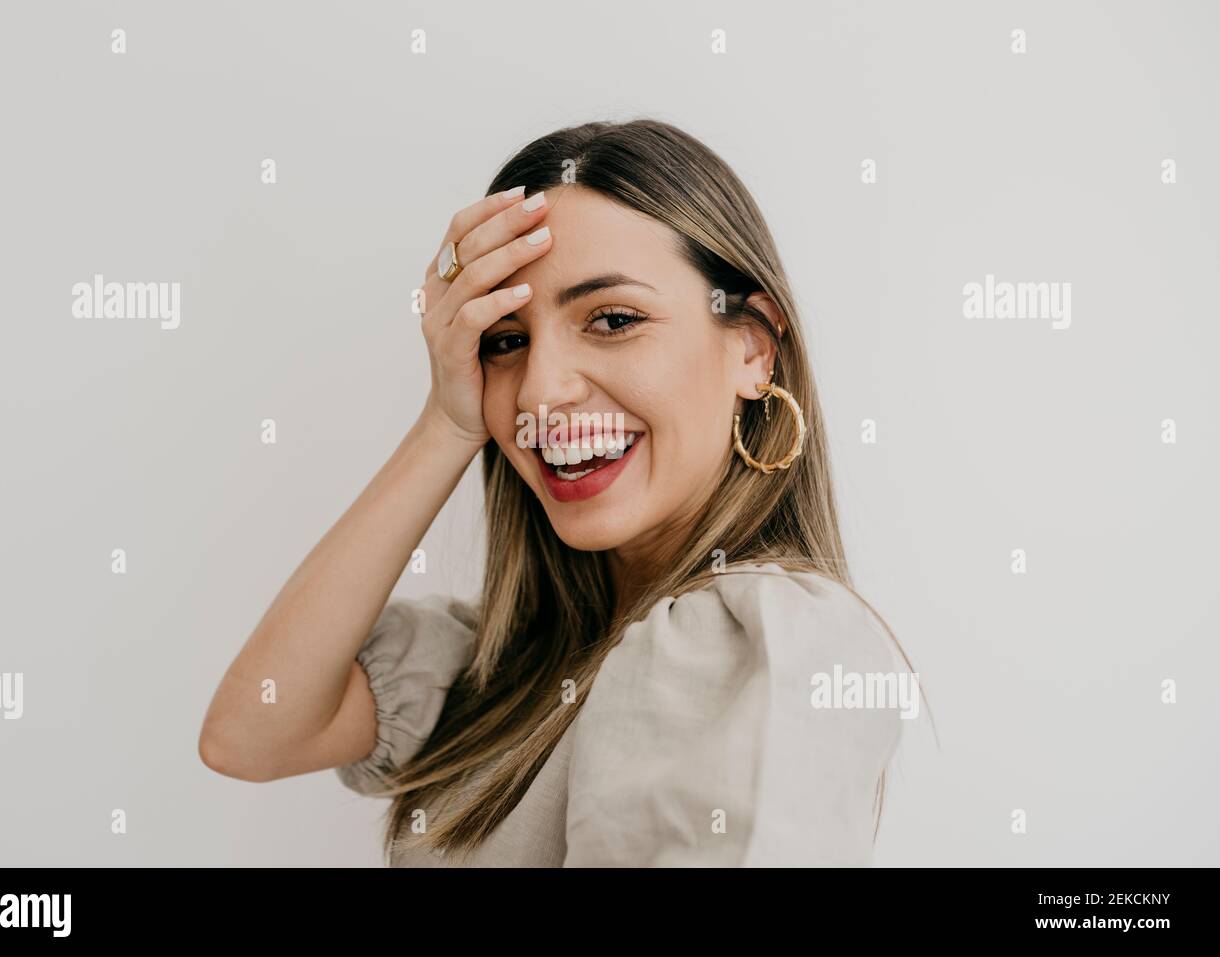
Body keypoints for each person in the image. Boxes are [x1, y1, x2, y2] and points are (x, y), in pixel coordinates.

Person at [199, 118, 917, 867]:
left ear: (752, 346)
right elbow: (249, 732)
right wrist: (446, 423)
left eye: (613, 319)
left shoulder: (756, 640)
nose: (540, 390)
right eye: (507, 340)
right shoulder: (508, 672)